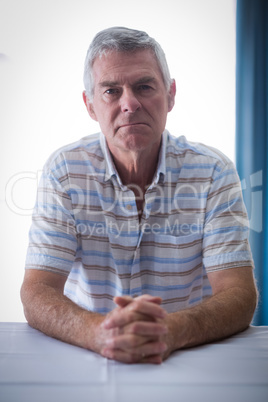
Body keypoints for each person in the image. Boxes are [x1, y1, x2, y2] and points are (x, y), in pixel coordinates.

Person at [20, 27, 257, 364]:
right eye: (111, 91)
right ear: (90, 105)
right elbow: (36, 291)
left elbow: (239, 293)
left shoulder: (214, 171)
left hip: (187, 358)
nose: (129, 104)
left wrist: (173, 330)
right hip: (86, 357)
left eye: (144, 86)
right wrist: (99, 333)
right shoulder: (64, 171)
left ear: (171, 94)